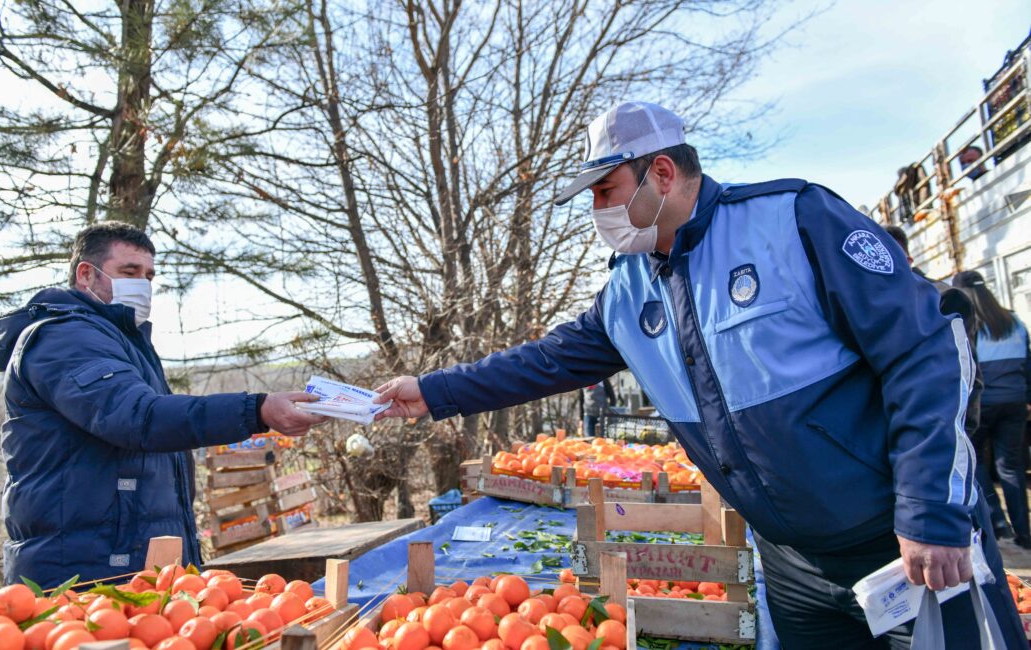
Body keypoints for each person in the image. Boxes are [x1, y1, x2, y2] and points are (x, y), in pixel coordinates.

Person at [374, 102, 1023, 647]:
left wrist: (928, 510)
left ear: (661, 171)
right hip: (791, 567)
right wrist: (432, 392)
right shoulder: (628, 292)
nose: (596, 208)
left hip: (897, 546)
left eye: (605, 190)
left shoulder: (794, 221)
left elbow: (926, 349)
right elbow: (544, 361)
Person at [0, 222, 327, 587]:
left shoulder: (124, 343)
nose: (143, 285)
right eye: (129, 272)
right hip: (82, 572)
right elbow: (138, 418)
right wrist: (256, 409)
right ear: (86, 274)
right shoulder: (64, 338)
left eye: (149, 275)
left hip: (130, 564)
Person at [884, 227, 1006, 537]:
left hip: (935, 464)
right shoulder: (869, 304)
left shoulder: (941, 299)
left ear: (908, 258)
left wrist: (953, 440)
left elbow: (967, 380)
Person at [953, 270, 1031, 549]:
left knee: (978, 465)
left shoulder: (966, 325)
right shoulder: (1014, 322)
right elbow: (1028, 362)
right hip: (1015, 402)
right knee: (1010, 467)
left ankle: (998, 523)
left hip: (982, 405)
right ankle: (1024, 533)